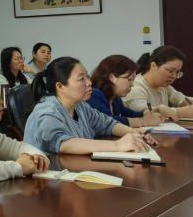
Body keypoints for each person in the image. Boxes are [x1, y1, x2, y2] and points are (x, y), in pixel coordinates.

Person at [23, 57, 156, 155]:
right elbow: (63, 143)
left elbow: (107, 124)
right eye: (82, 79)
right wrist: (117, 145)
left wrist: (134, 133)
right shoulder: (47, 111)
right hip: (49, 180)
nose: (89, 82)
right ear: (60, 86)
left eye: (87, 77)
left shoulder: (81, 106)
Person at [125, 46, 193, 119]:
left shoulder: (164, 87)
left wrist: (185, 103)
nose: (174, 76)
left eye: (177, 72)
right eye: (170, 71)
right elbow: (144, 113)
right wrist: (178, 112)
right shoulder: (135, 87)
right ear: (153, 66)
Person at [89, 55, 165, 127]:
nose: (132, 85)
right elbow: (107, 121)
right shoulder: (94, 95)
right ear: (112, 77)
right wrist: (142, 121)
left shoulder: (115, 98)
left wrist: (146, 113)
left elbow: (128, 113)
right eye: (129, 79)